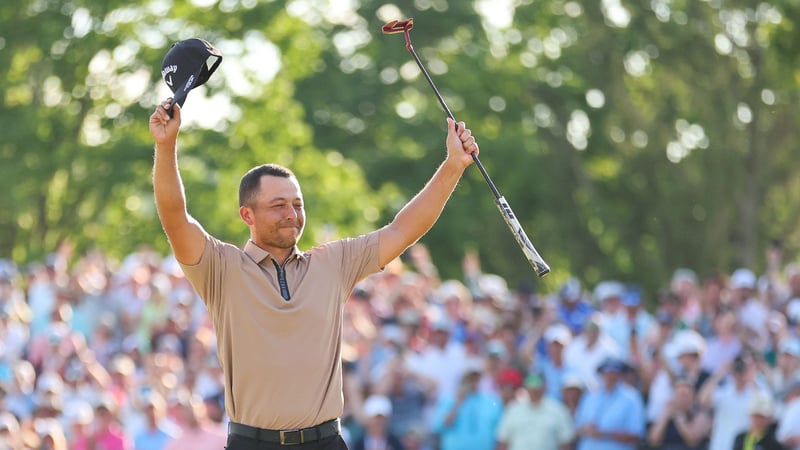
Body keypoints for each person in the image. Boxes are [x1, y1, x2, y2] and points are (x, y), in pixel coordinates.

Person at [149, 93, 480, 450]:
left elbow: (401, 230)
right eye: (278, 206)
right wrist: (166, 147)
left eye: (297, 204)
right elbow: (175, 217)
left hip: (325, 441)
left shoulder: (333, 262)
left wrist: (452, 166)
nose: (291, 214)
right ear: (248, 215)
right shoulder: (220, 267)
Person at [574, 357, 645, 450]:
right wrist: (586, 430)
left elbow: (636, 435)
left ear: (620, 374)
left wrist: (605, 434)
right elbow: (577, 429)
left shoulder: (632, 398)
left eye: (614, 372)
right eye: (607, 372)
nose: (610, 376)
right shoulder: (590, 397)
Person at [495, 372, 575, 450]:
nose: (534, 389)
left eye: (537, 385)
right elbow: (503, 442)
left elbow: (565, 443)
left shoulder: (557, 411)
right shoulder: (513, 410)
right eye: (531, 384)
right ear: (526, 387)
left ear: (545, 386)